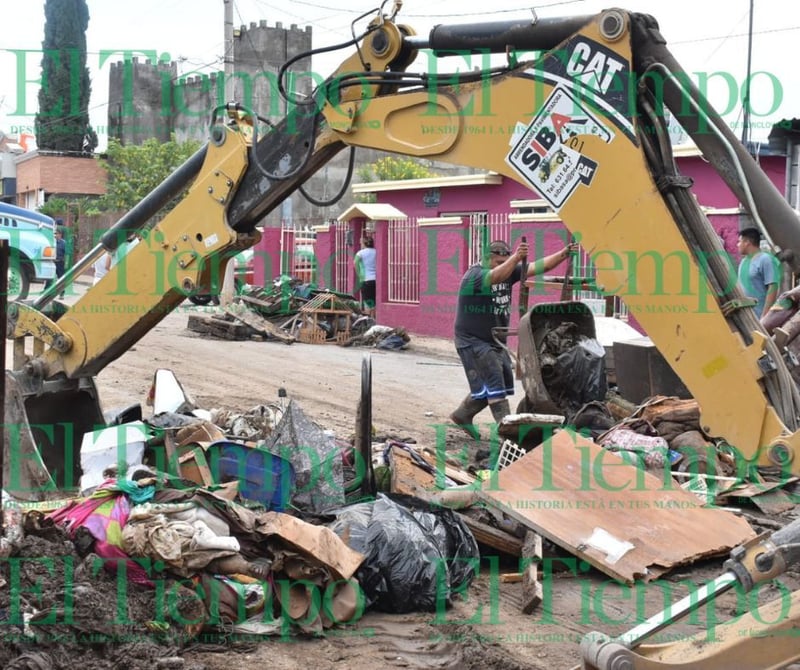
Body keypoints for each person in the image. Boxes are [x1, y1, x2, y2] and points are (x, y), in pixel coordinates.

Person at [449, 238, 576, 437]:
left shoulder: (508, 270)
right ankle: (509, 435)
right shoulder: (474, 275)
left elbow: (536, 267)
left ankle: (462, 415)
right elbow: (494, 276)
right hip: (472, 339)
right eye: (499, 262)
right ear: (485, 259)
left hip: (494, 339)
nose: (505, 266)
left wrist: (563, 254)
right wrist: (516, 257)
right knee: (495, 385)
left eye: (505, 262)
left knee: (497, 383)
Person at [737, 227, 780, 319]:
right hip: (746, 316)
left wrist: (765, 316)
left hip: (760, 316)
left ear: (747, 242)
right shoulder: (744, 262)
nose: (738, 245)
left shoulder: (766, 259)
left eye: (739, 241)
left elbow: (773, 287)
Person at [354, 236, 377, 318]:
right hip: (375, 280)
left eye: (361, 242)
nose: (360, 244)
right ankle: (374, 319)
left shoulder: (360, 253)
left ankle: (369, 320)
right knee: (374, 301)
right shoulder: (376, 252)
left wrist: (359, 275)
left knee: (367, 302)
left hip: (365, 280)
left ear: (364, 243)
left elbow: (355, 262)